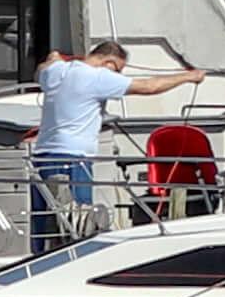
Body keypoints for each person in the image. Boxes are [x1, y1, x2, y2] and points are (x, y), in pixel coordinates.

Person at [24, 31, 193, 246]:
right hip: (73, 158)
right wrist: (188, 76)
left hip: (42, 157)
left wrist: (54, 58)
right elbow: (150, 87)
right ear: (110, 63)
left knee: (43, 223)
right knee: (79, 223)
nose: (118, 76)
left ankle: (38, 260)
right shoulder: (97, 77)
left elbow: (42, 70)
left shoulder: (56, 71)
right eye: (119, 70)